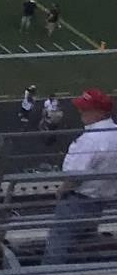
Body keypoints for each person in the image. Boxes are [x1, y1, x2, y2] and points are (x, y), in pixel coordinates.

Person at [46, 88, 117, 264]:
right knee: (84, 242)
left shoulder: (91, 139)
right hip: (100, 199)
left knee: (58, 242)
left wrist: (62, 190)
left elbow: (75, 175)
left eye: (86, 109)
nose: (80, 112)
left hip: (79, 199)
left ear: (100, 112)